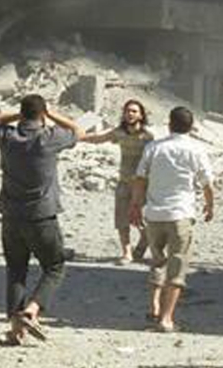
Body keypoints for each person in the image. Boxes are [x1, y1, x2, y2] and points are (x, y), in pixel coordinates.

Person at [0, 95, 83, 345]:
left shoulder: (8, 137)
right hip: (42, 215)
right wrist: (50, 114)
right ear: (42, 114)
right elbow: (77, 130)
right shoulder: (48, 138)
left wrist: (18, 115)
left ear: (22, 113)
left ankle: (16, 329)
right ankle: (32, 310)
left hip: (11, 215)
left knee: (16, 270)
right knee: (54, 266)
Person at [129, 106, 214, 333]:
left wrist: (135, 205)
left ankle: (154, 306)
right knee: (177, 264)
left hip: (155, 214)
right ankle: (167, 318)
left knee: (158, 260)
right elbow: (207, 182)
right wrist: (210, 205)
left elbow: (140, 179)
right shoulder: (196, 149)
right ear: (191, 126)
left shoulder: (154, 147)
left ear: (169, 124)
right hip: (181, 213)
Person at [81, 100, 154, 263]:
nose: (130, 114)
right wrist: (80, 137)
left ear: (141, 115)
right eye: (128, 111)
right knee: (121, 218)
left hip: (142, 185)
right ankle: (126, 253)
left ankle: (142, 246)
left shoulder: (148, 137)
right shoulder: (119, 133)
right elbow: (99, 138)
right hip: (124, 181)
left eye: (134, 111)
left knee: (143, 220)